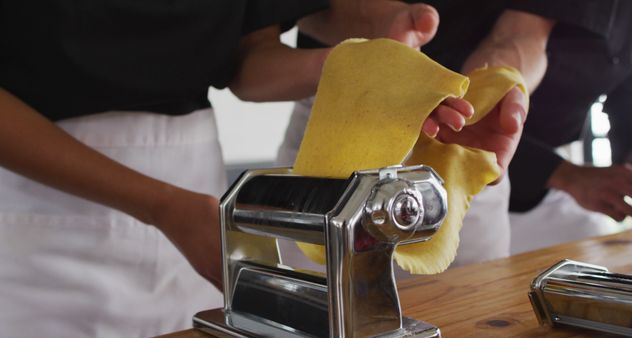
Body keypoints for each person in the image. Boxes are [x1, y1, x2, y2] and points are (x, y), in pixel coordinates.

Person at [0, 1, 473, 336]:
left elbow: (249, 62)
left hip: (196, 196)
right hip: (40, 207)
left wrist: (355, 65)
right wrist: (163, 207)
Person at [277, 0, 548, 268]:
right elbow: (289, 13)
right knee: (320, 296)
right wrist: (380, 25)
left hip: (463, 132)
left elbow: (526, 31)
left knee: (470, 294)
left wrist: (494, 85)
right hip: (343, 109)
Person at [507, 0, 632, 253]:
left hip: (543, 182)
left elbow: (627, 100)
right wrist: (566, 175)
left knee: (597, 246)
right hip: (456, 159)